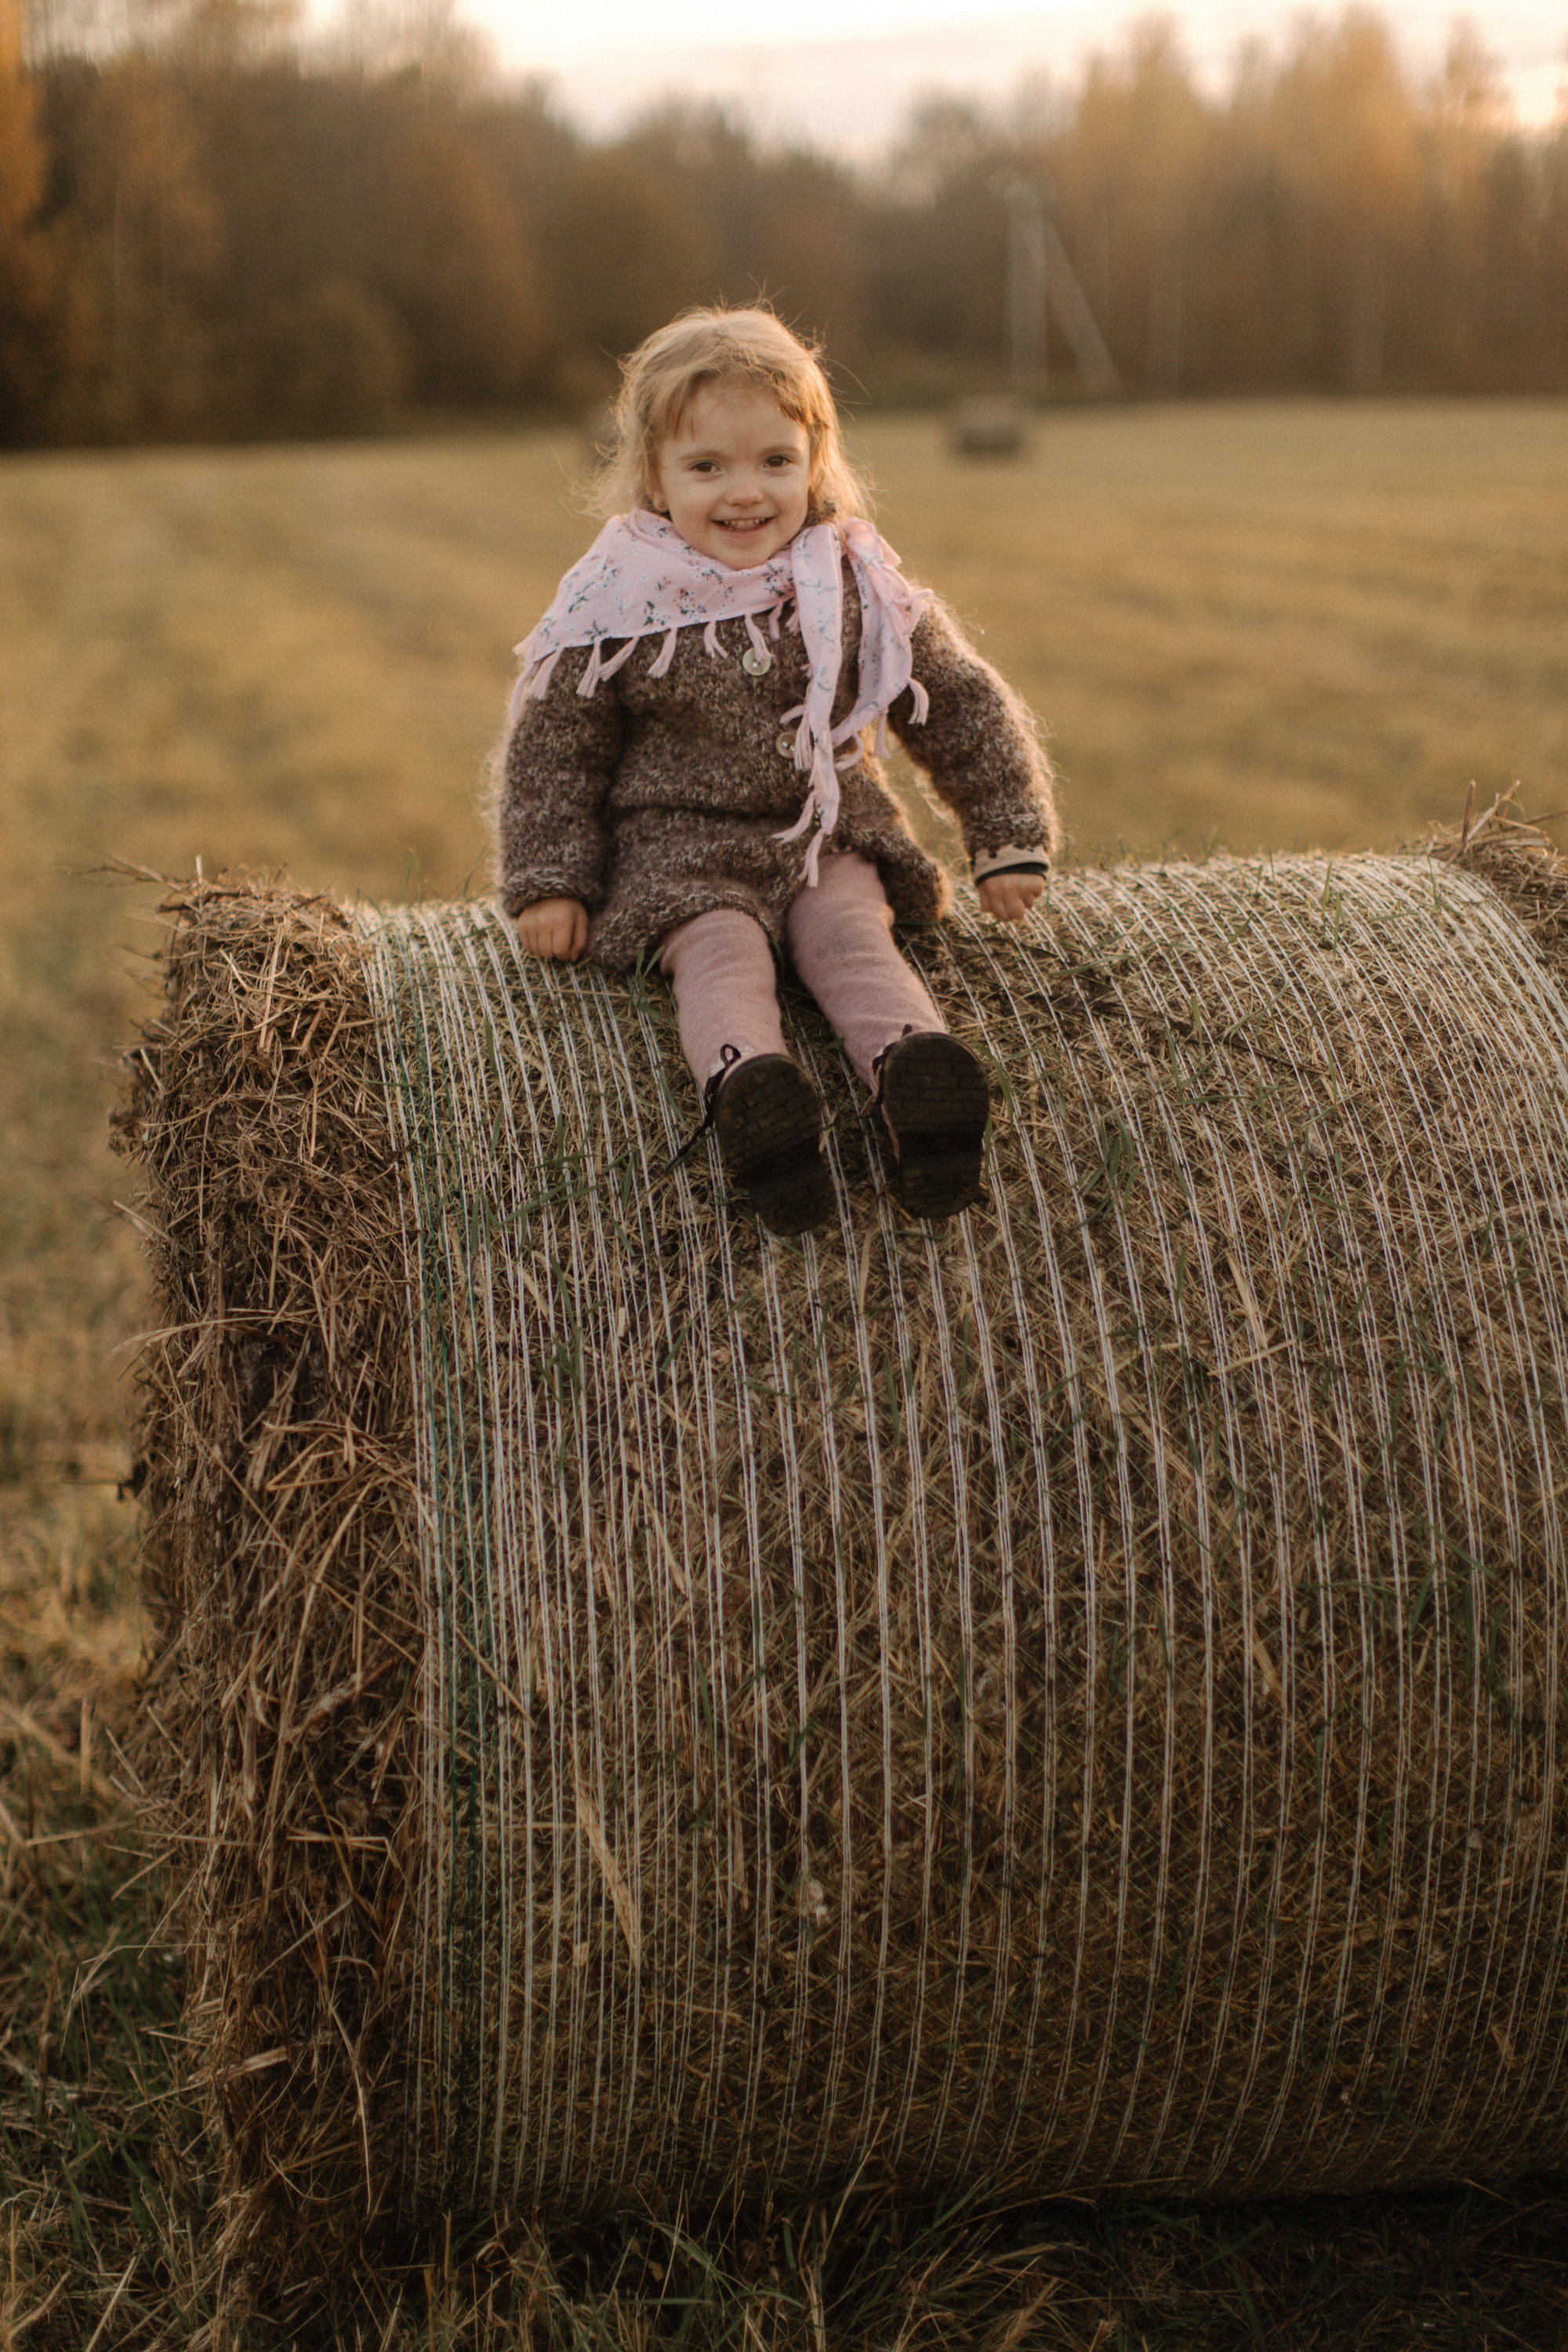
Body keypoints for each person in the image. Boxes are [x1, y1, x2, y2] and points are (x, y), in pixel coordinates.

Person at [496, 306, 1059, 1236]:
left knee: (849, 936)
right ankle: (754, 1099)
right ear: (653, 477)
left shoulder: (851, 581)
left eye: (772, 462)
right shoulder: (617, 604)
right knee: (721, 952)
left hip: (824, 833)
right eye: (706, 467)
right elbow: (553, 751)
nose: (743, 492)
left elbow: (954, 698)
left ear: (814, 460)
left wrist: (1004, 832)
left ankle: (918, 1081)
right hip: (681, 858)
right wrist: (548, 880)